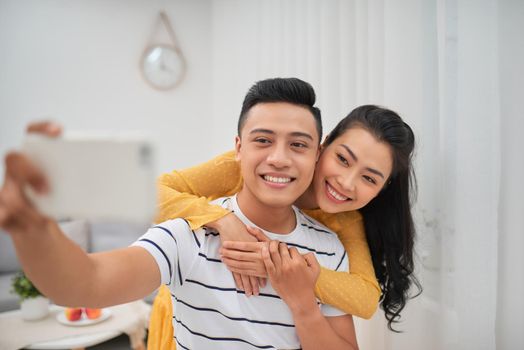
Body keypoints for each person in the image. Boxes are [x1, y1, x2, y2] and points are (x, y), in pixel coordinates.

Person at [0, 78, 358, 349]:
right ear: (237, 148)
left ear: (316, 155)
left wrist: (301, 302)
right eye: (262, 140)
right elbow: (86, 282)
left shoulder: (328, 247)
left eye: (298, 144)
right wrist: (34, 229)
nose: (279, 158)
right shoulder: (190, 234)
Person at [150, 102, 422, 343]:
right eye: (342, 159)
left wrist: (281, 267)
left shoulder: (347, 221)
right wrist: (223, 220)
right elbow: (153, 191)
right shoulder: (249, 167)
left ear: (381, 189)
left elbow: (364, 299)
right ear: (322, 147)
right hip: (190, 317)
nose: (346, 182)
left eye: (369, 178)